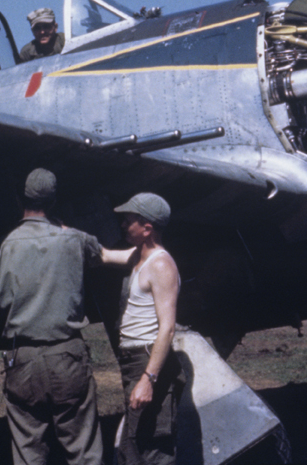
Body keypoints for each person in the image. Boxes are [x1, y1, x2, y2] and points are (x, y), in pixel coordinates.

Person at [0, 169, 131, 465]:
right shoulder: (73, 240)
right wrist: (153, 249)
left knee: (28, 453)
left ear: (21, 199)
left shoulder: (6, 247)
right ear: (54, 201)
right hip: (67, 356)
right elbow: (110, 257)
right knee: (83, 451)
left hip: (22, 358)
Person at [113, 193, 181, 465]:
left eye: (129, 221)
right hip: (133, 361)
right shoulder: (138, 257)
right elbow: (104, 255)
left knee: (152, 447)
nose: (123, 226)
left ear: (147, 229)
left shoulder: (161, 265)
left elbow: (167, 329)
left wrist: (148, 379)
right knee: (134, 446)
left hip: (147, 359)